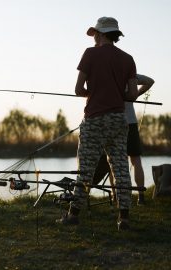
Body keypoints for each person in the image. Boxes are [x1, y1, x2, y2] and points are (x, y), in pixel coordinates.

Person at [57, 17, 138, 231]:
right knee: (120, 167)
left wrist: (93, 93)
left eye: (95, 34)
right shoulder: (128, 59)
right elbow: (132, 94)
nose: (93, 38)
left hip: (94, 119)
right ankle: (124, 219)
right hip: (118, 120)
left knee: (85, 168)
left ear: (101, 34)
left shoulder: (90, 54)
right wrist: (115, 94)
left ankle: (73, 215)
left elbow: (78, 89)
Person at [106, 74, 155, 205]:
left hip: (113, 123)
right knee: (135, 160)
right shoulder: (129, 75)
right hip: (130, 122)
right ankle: (141, 197)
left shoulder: (108, 74)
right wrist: (135, 94)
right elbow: (150, 81)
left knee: (113, 161)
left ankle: (116, 196)